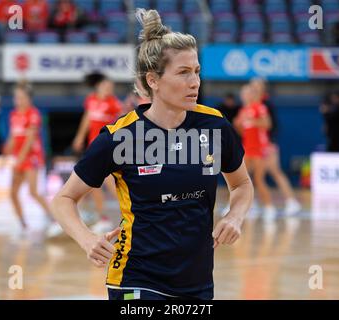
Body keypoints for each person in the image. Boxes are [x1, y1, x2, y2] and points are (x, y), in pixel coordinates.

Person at [51, 8, 253, 300]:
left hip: (197, 282)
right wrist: (87, 239)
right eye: (183, 73)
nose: (195, 82)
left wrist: (234, 216)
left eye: (196, 71)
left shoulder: (214, 126)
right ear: (153, 80)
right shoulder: (121, 136)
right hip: (136, 278)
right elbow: (63, 199)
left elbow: (242, 185)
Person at [71, 72, 122, 234]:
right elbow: (87, 119)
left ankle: (130, 213)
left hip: (108, 150)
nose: (109, 88)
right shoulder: (91, 100)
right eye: (106, 85)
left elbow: (123, 124)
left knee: (112, 184)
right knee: (94, 186)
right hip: (93, 150)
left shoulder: (114, 104)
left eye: (111, 86)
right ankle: (103, 218)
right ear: (99, 86)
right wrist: (79, 137)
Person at [2, 81, 53, 230]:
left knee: (33, 192)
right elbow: (13, 136)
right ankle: (23, 224)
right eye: (16, 97)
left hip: (32, 158)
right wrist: (6, 154)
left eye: (21, 97)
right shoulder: (13, 114)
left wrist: (20, 160)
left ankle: (54, 218)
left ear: (28, 98)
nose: (17, 101)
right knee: (13, 193)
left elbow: (30, 140)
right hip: (19, 158)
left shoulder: (33, 114)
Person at [250, 78, 301, 216]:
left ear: (263, 89)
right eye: (252, 86)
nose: (253, 89)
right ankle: (251, 203)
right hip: (254, 146)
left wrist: (270, 143)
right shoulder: (253, 103)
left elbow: (272, 125)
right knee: (254, 175)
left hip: (267, 145)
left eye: (257, 86)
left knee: (274, 172)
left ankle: (291, 201)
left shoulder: (266, 104)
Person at [234, 84, 276, 220]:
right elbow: (242, 132)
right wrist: (238, 125)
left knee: (259, 179)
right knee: (241, 179)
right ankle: (248, 206)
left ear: (252, 95)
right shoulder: (243, 110)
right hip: (247, 148)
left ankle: (269, 208)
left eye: (247, 93)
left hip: (260, 148)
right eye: (243, 94)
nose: (244, 96)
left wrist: (252, 121)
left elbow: (268, 124)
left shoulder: (259, 107)